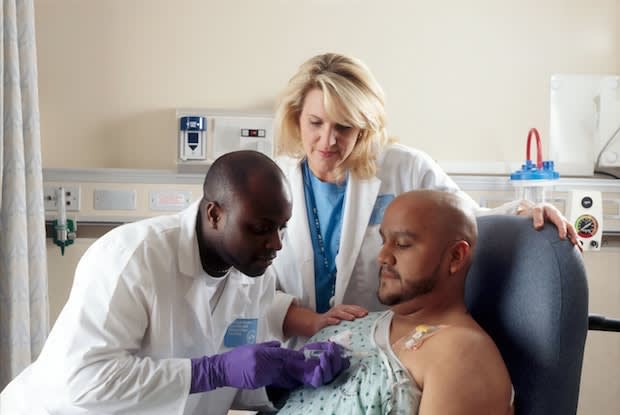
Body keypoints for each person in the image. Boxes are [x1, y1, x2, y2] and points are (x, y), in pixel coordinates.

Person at [0, 150, 349, 415]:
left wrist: (281, 380)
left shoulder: (255, 278)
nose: (276, 244)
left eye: (281, 227)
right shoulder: (133, 257)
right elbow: (86, 381)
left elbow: (226, 384)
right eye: (260, 228)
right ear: (214, 214)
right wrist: (212, 370)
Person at [270, 52, 578, 342]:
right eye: (315, 123)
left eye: (344, 127)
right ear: (296, 118)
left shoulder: (404, 168)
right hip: (297, 350)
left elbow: (467, 220)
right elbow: (252, 287)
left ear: (363, 127)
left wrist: (525, 211)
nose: (328, 140)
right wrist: (311, 322)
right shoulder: (274, 181)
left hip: (382, 350)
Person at [277, 190, 514, 414]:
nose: (382, 256)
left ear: (455, 256)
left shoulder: (461, 354)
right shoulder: (352, 323)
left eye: (402, 244)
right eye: (384, 241)